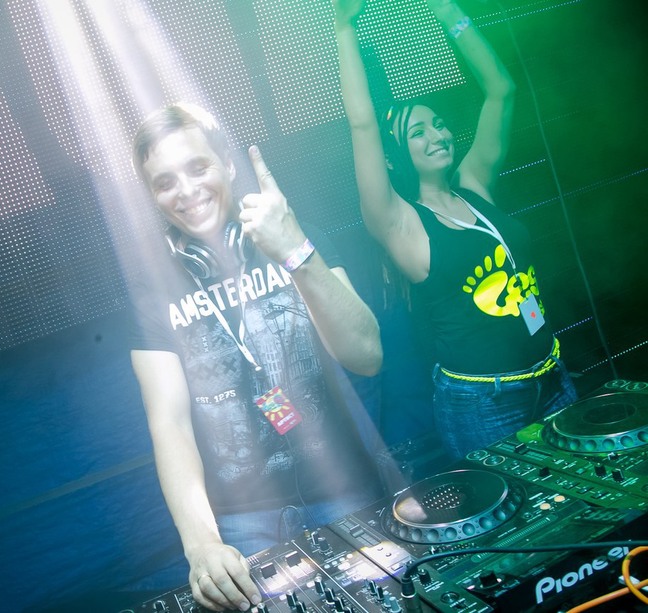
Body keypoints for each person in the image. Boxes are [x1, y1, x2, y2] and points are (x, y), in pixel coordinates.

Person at [128, 102, 383, 612]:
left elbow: (367, 355)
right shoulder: (151, 290)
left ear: (227, 164)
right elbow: (170, 424)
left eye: (198, 167)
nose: (186, 191)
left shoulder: (294, 236)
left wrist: (294, 250)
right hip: (242, 524)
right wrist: (201, 544)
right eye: (165, 182)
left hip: (345, 490)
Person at [332, 0, 577, 460]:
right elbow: (362, 124)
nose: (437, 135)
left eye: (439, 125)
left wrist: (448, 12)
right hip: (483, 403)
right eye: (418, 132)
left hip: (552, 376)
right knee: (512, 508)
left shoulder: (473, 184)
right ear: (393, 157)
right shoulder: (399, 221)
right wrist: (344, 28)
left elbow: (501, 89)